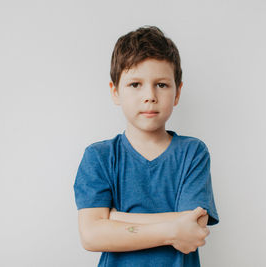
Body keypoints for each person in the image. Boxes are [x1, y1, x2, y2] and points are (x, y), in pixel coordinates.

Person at [73, 25, 219, 267]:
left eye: (161, 84)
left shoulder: (193, 153)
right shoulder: (99, 157)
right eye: (135, 84)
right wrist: (173, 229)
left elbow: (192, 232)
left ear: (177, 92)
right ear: (115, 92)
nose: (149, 95)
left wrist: (115, 218)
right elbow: (91, 235)